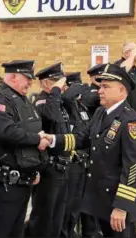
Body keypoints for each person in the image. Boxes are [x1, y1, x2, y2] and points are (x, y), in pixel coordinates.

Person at [41, 63, 136, 238]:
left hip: (118, 205)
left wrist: (122, 207)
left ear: (121, 91)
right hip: (101, 201)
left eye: (106, 87)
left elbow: (133, 168)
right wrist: (53, 139)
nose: (100, 90)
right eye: (100, 86)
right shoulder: (101, 113)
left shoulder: (130, 121)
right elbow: (83, 138)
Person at [0, 60, 48, 238]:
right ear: (12, 77)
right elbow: (7, 131)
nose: (30, 83)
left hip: (23, 183)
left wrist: (35, 167)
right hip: (3, 185)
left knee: (15, 232)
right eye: (27, 78)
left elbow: (31, 130)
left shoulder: (24, 102)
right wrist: (36, 139)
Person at [25, 62, 71, 238]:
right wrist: (56, 92)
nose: (63, 87)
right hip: (48, 169)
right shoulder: (43, 101)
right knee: (45, 218)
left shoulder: (58, 102)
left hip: (62, 168)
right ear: (46, 84)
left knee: (58, 218)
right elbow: (50, 115)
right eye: (58, 82)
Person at [60, 72, 93, 238]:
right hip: (71, 163)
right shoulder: (66, 105)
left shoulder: (82, 107)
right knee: (67, 205)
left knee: (76, 205)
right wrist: (75, 88)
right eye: (76, 88)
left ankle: (71, 231)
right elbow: (66, 97)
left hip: (83, 163)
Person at [115, 42, 136, 112]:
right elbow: (121, 71)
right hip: (123, 113)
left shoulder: (133, 68)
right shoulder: (119, 64)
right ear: (126, 53)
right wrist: (132, 56)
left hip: (133, 113)